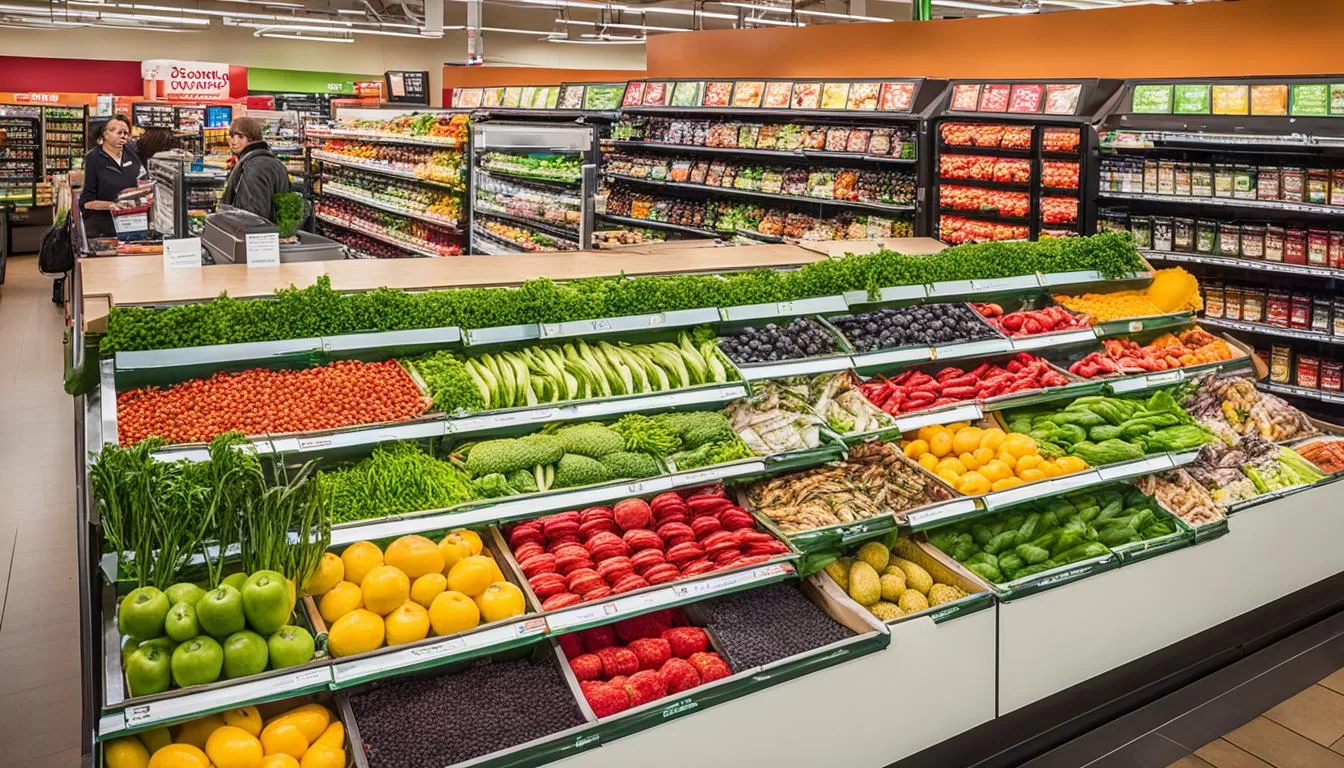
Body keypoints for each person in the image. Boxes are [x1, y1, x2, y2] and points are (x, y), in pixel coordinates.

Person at [78, 114, 142, 238]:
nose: (123, 136)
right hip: (102, 227)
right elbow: (86, 202)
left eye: (125, 133)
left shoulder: (131, 155)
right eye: (118, 132)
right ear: (105, 134)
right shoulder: (93, 158)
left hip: (131, 222)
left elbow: (141, 180)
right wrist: (112, 205)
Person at [221, 116, 290, 222]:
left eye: (240, 136)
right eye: (232, 136)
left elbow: (252, 216)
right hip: (276, 233)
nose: (234, 141)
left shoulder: (252, 167)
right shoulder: (276, 164)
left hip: (254, 234)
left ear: (252, 137)